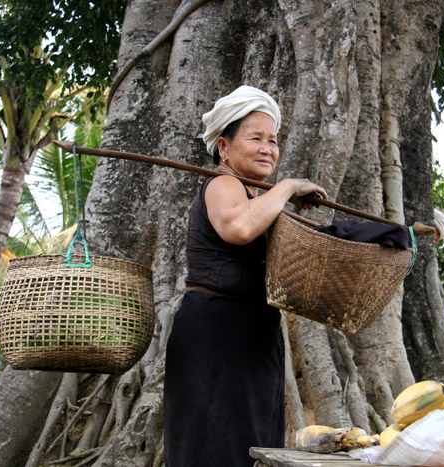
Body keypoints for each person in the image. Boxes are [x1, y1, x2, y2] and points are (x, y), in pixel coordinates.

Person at [163, 85, 327, 467]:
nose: (268, 148)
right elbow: (237, 227)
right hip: (216, 338)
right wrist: (287, 187)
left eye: (273, 140)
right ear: (223, 146)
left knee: (251, 443)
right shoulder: (223, 184)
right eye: (255, 138)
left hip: (253, 340)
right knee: (213, 446)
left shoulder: (256, 197)